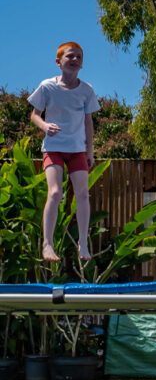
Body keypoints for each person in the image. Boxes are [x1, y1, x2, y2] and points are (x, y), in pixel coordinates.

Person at [29, 42, 100, 262]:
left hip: (77, 149)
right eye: (70, 56)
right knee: (55, 193)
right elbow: (34, 115)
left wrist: (90, 151)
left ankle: (83, 243)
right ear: (58, 61)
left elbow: (89, 122)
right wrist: (45, 126)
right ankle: (47, 244)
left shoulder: (86, 90)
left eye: (79, 57)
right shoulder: (47, 86)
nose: (75, 60)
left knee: (82, 194)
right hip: (53, 148)